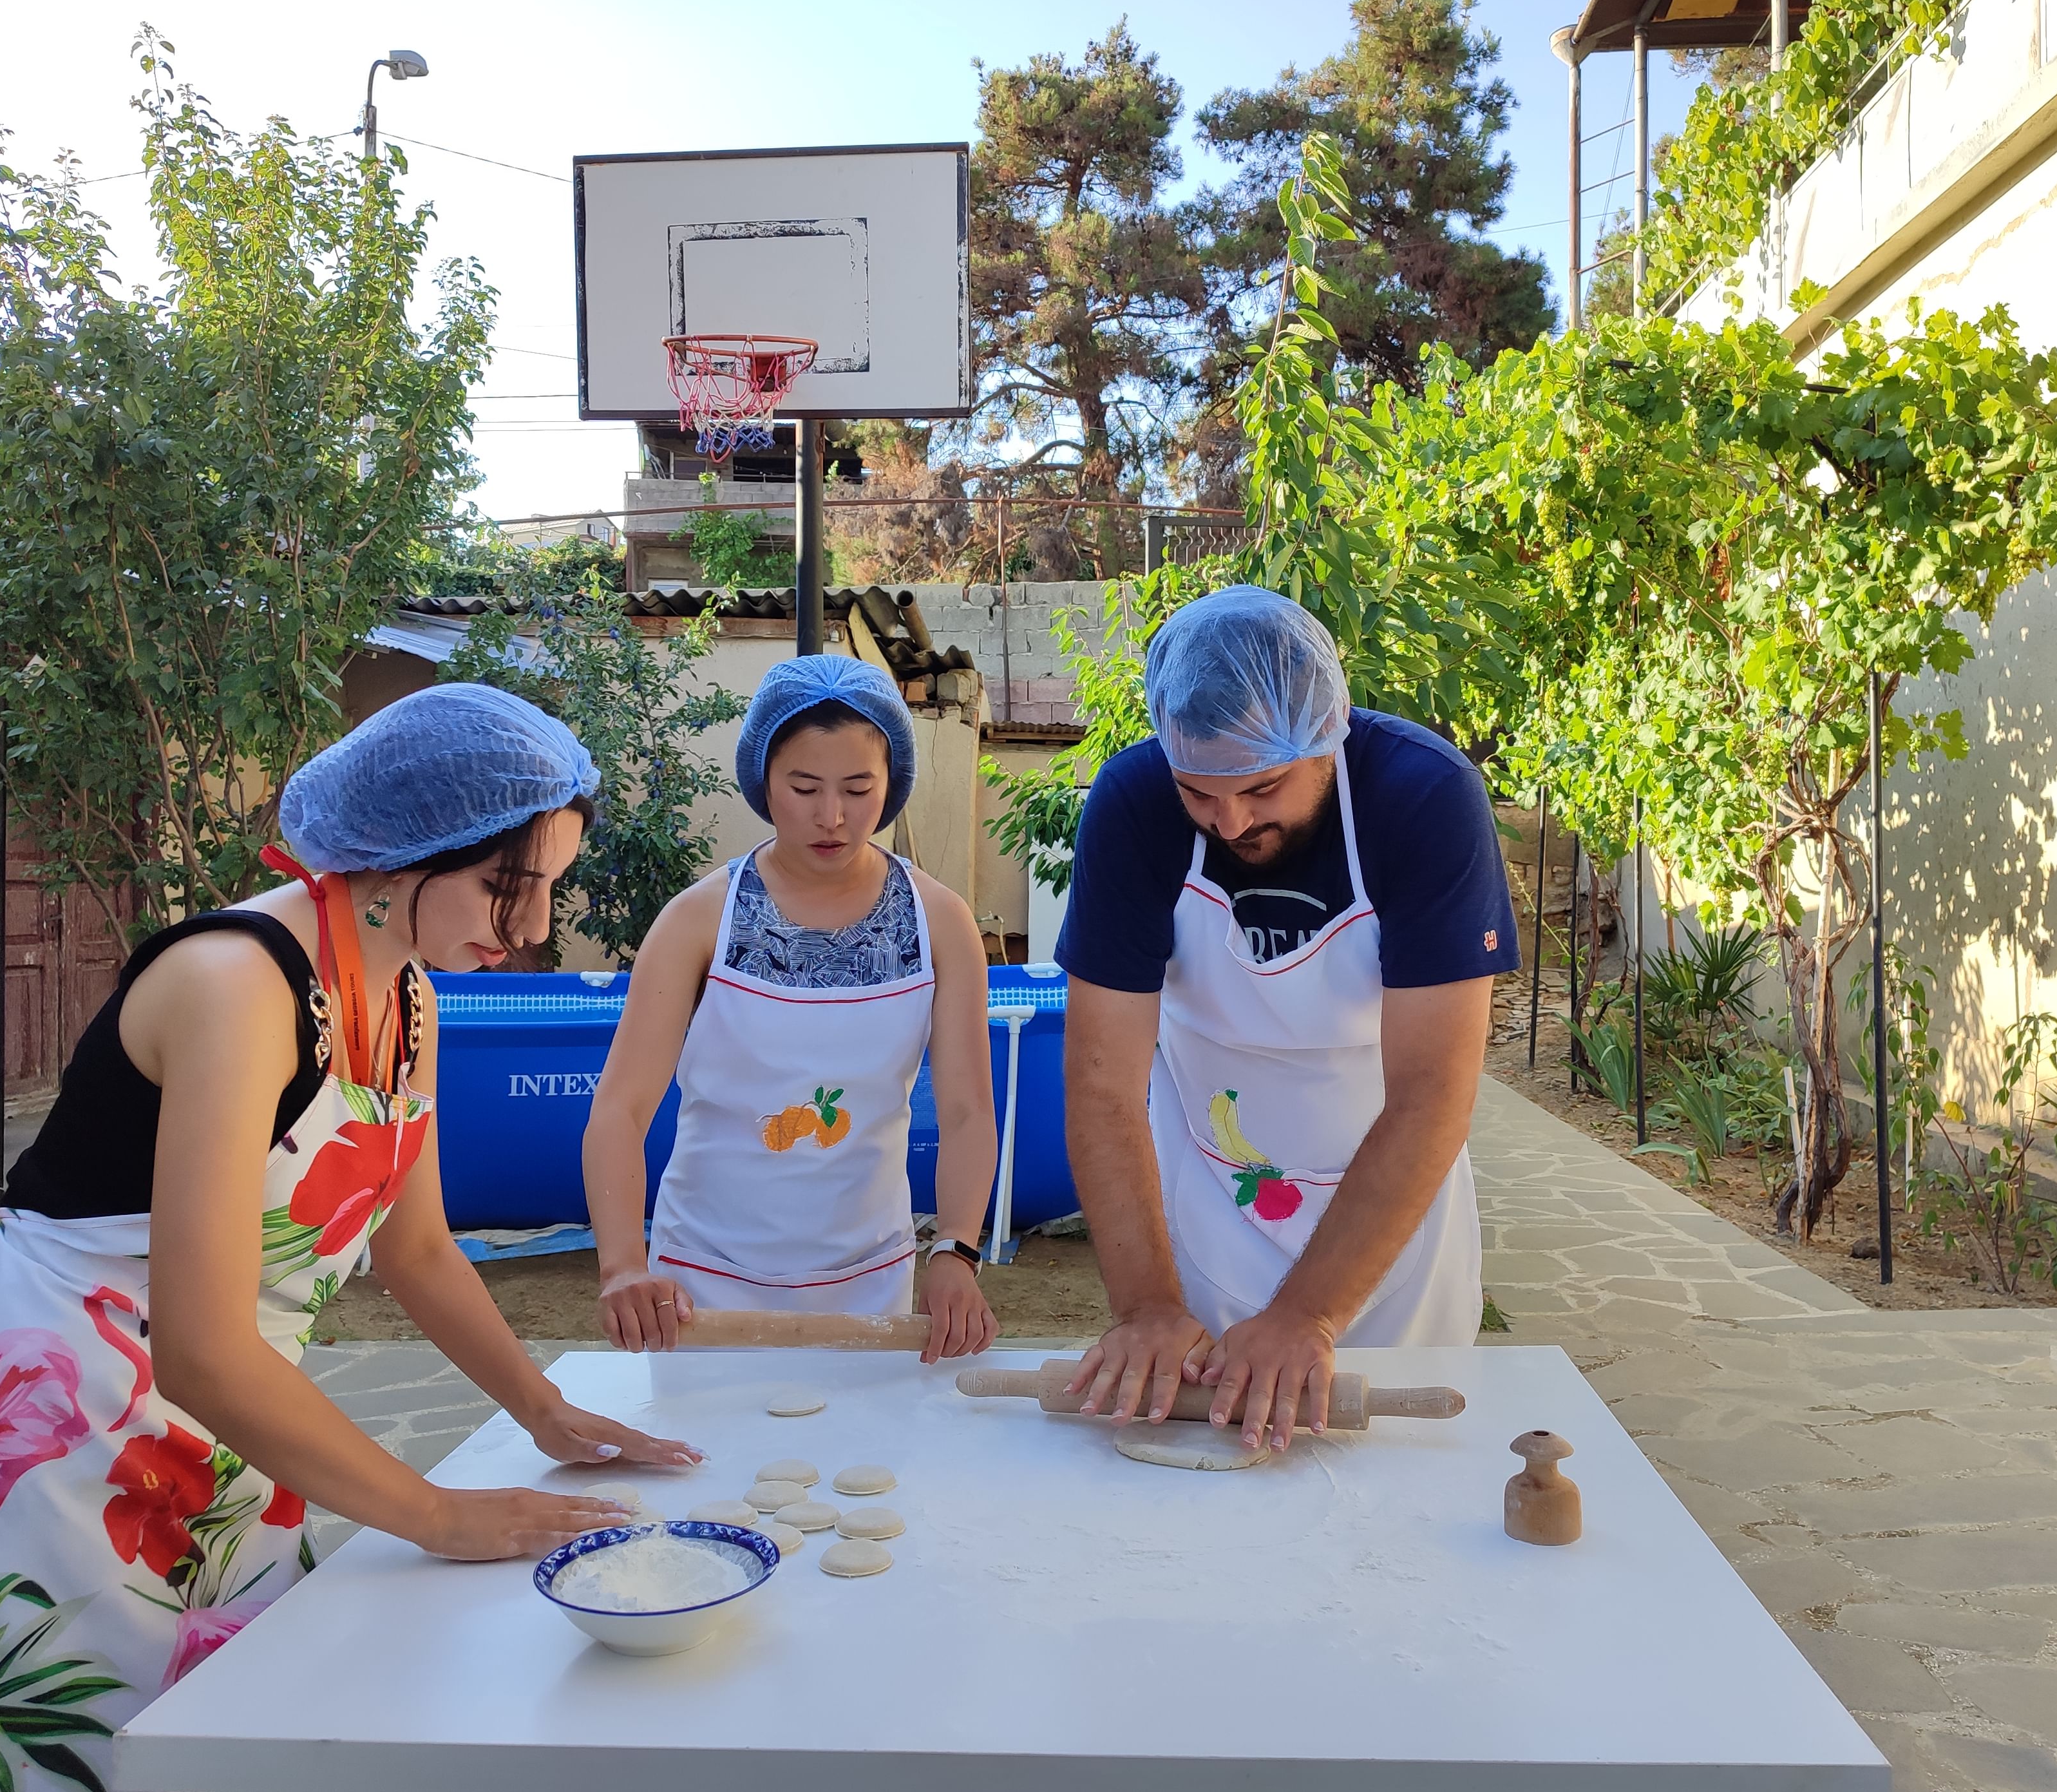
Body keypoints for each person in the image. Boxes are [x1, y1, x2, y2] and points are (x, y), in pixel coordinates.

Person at [0, 685, 696, 1792]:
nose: (535, 927)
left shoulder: (409, 996)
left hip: (229, 1403)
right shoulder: (237, 986)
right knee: (69, 1745)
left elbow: (418, 1251)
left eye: (550, 888)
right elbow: (202, 1346)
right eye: (511, 887)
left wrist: (544, 1408)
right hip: (57, 1418)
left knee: (231, 1722)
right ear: (409, 850)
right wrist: (435, 1515)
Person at [1056, 586, 1516, 1451]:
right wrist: (1149, 1307)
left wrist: (1310, 1313)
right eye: (1200, 793)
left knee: (1396, 1488)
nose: (1231, 822)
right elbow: (1101, 1083)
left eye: (1262, 787)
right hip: (1214, 1196)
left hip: (1391, 1215)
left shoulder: (1423, 800)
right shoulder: (1132, 805)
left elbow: (1431, 1095)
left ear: (1327, 736)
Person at [583, 655, 999, 1361]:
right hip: (703, 1285)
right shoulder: (698, 921)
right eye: (804, 787)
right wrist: (623, 1265)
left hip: (868, 1281)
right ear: (762, 782)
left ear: (892, 783)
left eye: (858, 789)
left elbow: (965, 1112)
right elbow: (620, 1109)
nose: (831, 816)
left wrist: (956, 1252)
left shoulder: (940, 923)